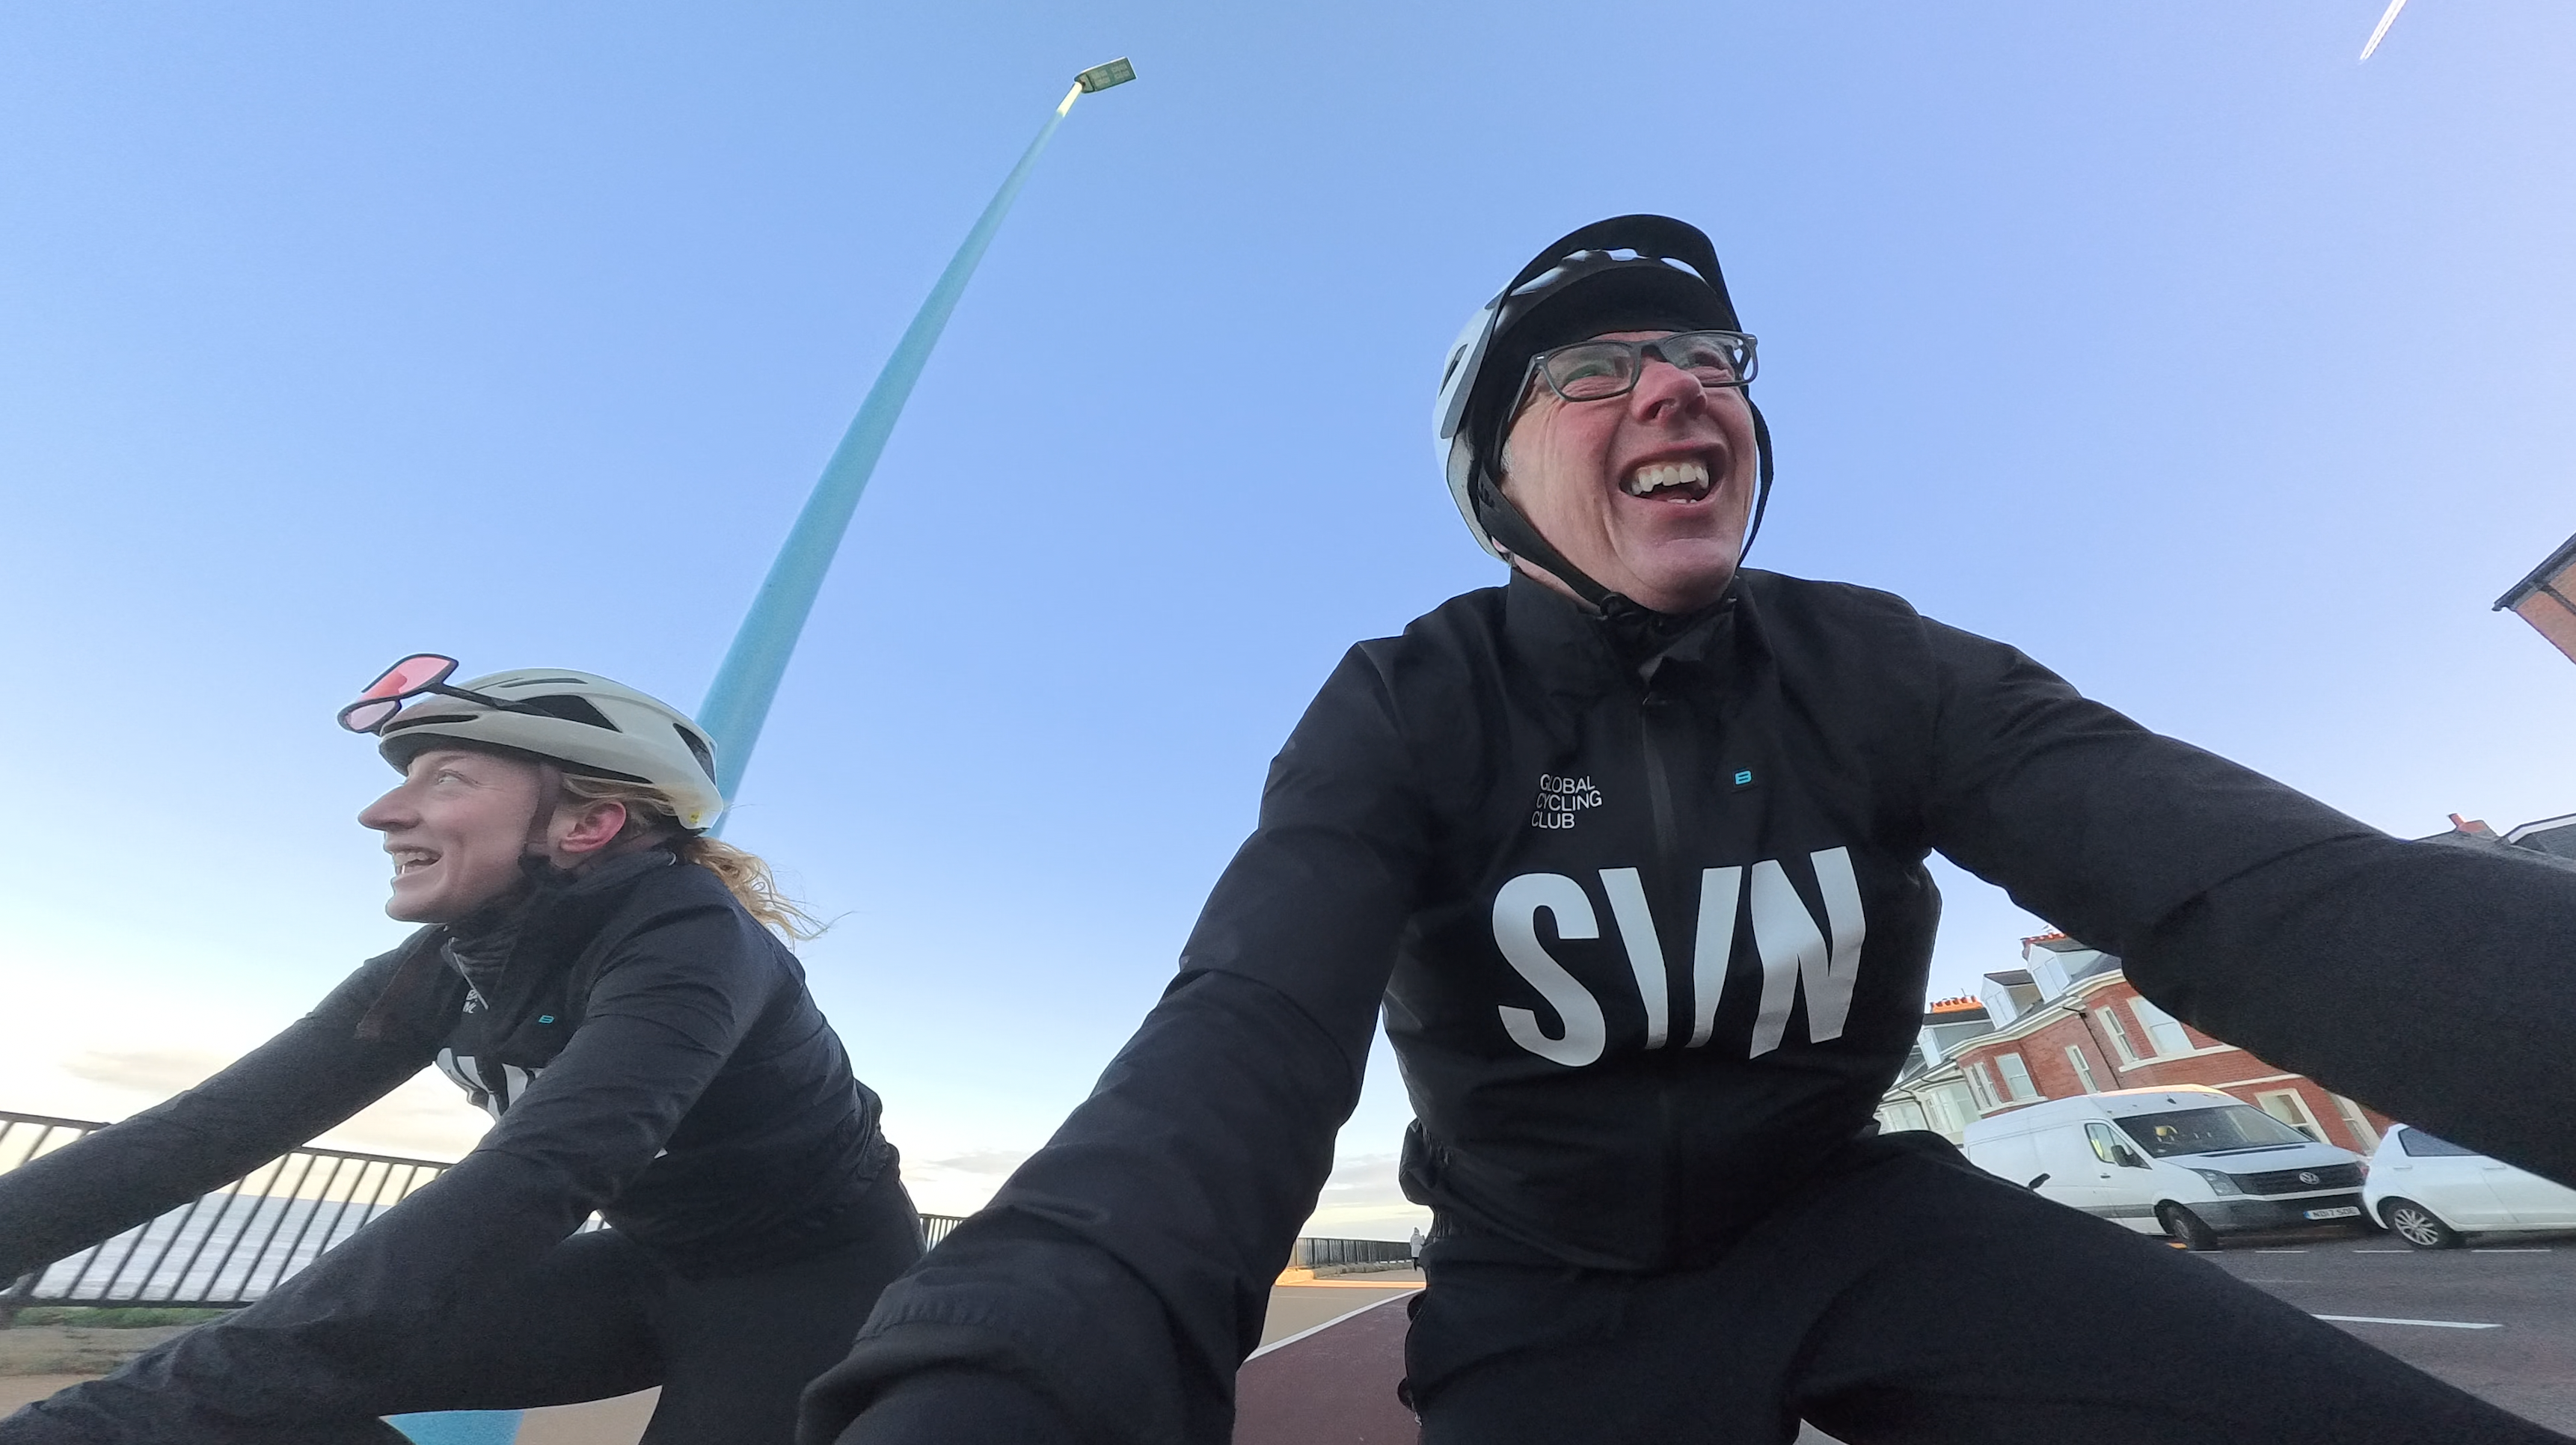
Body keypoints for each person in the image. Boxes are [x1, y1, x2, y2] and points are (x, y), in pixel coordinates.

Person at [794, 215, 2576, 1445]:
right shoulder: (1410, 705)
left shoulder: (1877, 666)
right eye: (1592, 370)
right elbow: (1247, 1031)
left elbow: (2260, 891)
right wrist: (1003, 1363)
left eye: (1707, 354)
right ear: (1498, 486)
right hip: (1543, 1281)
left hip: (1849, 1213)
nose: (1674, 386)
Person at [0, 658, 919, 1445]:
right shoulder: (443, 962)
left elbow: (544, 1169)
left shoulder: (694, 942)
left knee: (193, 1391)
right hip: (646, 1262)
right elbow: (204, 1132)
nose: (380, 812)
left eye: (445, 780)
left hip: (814, 1280)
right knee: (246, 1399)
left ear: (587, 824)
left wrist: (96, 1423)